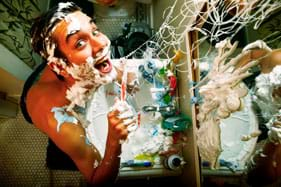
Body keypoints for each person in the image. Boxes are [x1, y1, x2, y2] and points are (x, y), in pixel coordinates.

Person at [21, 2, 137, 186]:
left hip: (60, 70)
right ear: (60, 66)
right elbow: (97, 181)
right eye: (80, 42)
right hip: (35, 100)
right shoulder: (63, 121)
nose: (102, 43)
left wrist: (117, 73)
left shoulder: (79, 63)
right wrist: (113, 141)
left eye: (95, 30)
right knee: (64, 148)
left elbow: (99, 64)